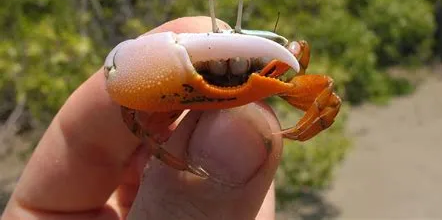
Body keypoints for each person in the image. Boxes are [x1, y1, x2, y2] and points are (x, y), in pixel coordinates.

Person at [3, 17, 282, 220]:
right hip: (182, 89)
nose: (229, 61)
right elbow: (119, 81)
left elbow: (311, 80)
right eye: (219, 53)